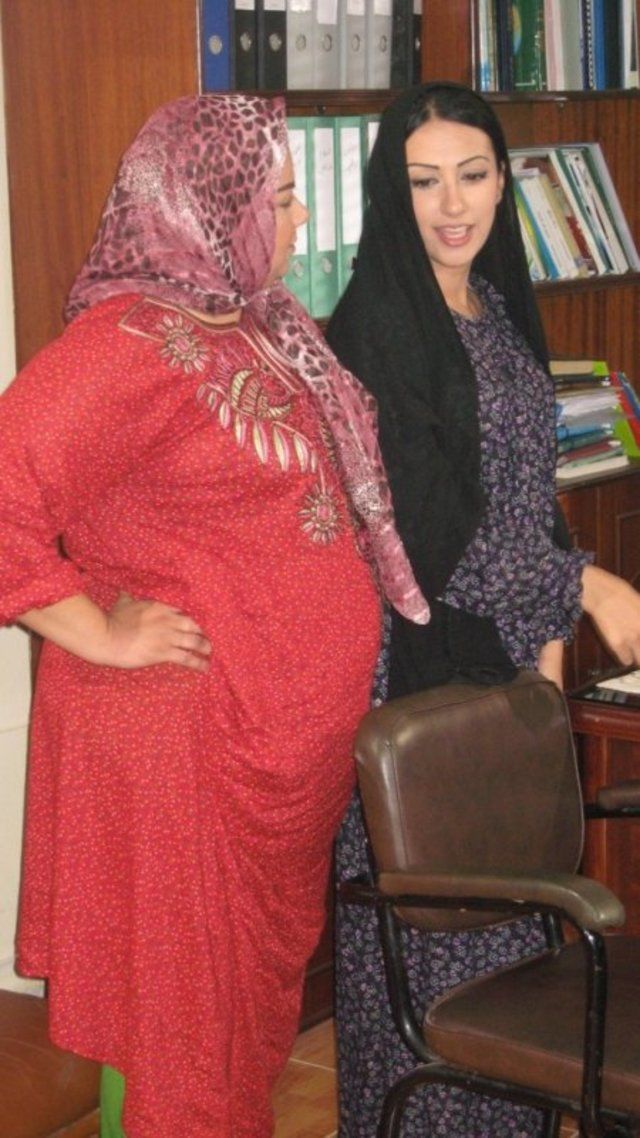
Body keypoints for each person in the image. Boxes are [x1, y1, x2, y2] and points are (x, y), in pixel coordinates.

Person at [0, 93, 429, 1138]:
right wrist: (98, 631)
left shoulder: (262, 321)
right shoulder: (133, 341)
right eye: (280, 198)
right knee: (187, 1043)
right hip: (183, 751)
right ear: (204, 207)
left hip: (271, 764)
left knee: (234, 1039)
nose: (300, 219)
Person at [326, 82, 640, 1138]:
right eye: (423, 182)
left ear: (506, 181)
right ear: (390, 191)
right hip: (425, 673)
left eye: (471, 175)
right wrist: (584, 587)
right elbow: (427, 528)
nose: (451, 204)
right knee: (443, 953)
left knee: (518, 941)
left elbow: (526, 491)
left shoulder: (495, 304)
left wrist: (546, 652)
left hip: (508, 654)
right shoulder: (378, 322)